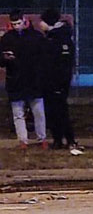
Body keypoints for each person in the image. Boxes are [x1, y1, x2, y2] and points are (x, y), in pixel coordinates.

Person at [0, 9, 48, 149]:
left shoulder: (35, 36)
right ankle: (23, 140)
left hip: (32, 79)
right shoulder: (7, 38)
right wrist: (5, 58)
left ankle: (42, 138)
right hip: (16, 79)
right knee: (18, 113)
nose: (16, 26)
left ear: (24, 21)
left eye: (18, 23)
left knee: (38, 111)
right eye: (14, 24)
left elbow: (43, 57)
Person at [39, 8, 81, 153]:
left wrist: (60, 83)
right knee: (52, 112)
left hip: (58, 82)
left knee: (61, 111)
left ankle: (69, 139)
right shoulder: (53, 37)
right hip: (50, 82)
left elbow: (61, 64)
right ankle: (58, 139)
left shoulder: (60, 38)